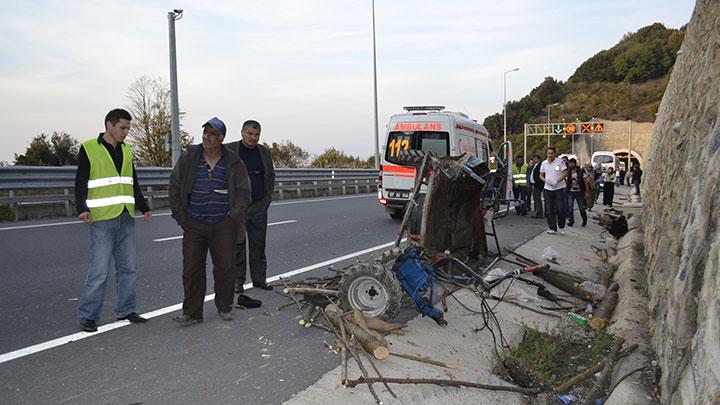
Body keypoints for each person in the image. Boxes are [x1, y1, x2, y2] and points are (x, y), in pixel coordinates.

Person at [74, 108, 152, 333]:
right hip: (102, 218)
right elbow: (81, 181)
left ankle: (126, 310)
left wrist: (144, 207)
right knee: (99, 270)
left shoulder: (127, 150)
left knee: (128, 268)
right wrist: (82, 208)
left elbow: (132, 181)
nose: (126, 132)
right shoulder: (89, 148)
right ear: (109, 125)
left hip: (126, 215)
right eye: (123, 128)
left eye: (128, 128)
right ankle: (88, 316)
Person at [169, 117, 252, 324]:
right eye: (205, 132)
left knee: (225, 268)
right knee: (191, 269)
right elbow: (175, 187)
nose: (207, 136)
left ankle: (225, 307)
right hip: (194, 223)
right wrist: (182, 218)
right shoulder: (190, 157)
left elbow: (244, 192)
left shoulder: (233, 161)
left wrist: (232, 217)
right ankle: (192, 312)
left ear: (221, 138)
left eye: (212, 133)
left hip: (224, 223)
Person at [226, 120, 276, 308]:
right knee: (237, 246)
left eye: (256, 135)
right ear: (242, 133)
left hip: (258, 206)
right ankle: (238, 283)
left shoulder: (264, 152)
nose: (253, 138)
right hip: (237, 207)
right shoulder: (230, 150)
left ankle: (259, 280)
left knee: (258, 244)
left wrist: (267, 199)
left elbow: (270, 176)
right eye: (249, 134)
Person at [539, 147, 568, 234]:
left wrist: (557, 181)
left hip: (558, 188)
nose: (550, 155)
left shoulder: (560, 162)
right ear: (546, 154)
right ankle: (552, 228)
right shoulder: (544, 163)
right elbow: (541, 175)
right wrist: (546, 180)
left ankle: (561, 226)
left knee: (560, 208)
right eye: (549, 153)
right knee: (549, 209)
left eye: (552, 153)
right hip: (548, 188)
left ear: (555, 154)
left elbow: (565, 173)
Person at [565, 159, 587, 227]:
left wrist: (587, 192)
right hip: (571, 192)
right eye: (570, 164)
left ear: (575, 164)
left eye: (572, 163)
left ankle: (584, 219)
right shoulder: (568, 172)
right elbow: (566, 181)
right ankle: (571, 220)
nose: (571, 165)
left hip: (579, 192)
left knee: (581, 208)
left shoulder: (581, 171)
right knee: (570, 207)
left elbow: (586, 182)